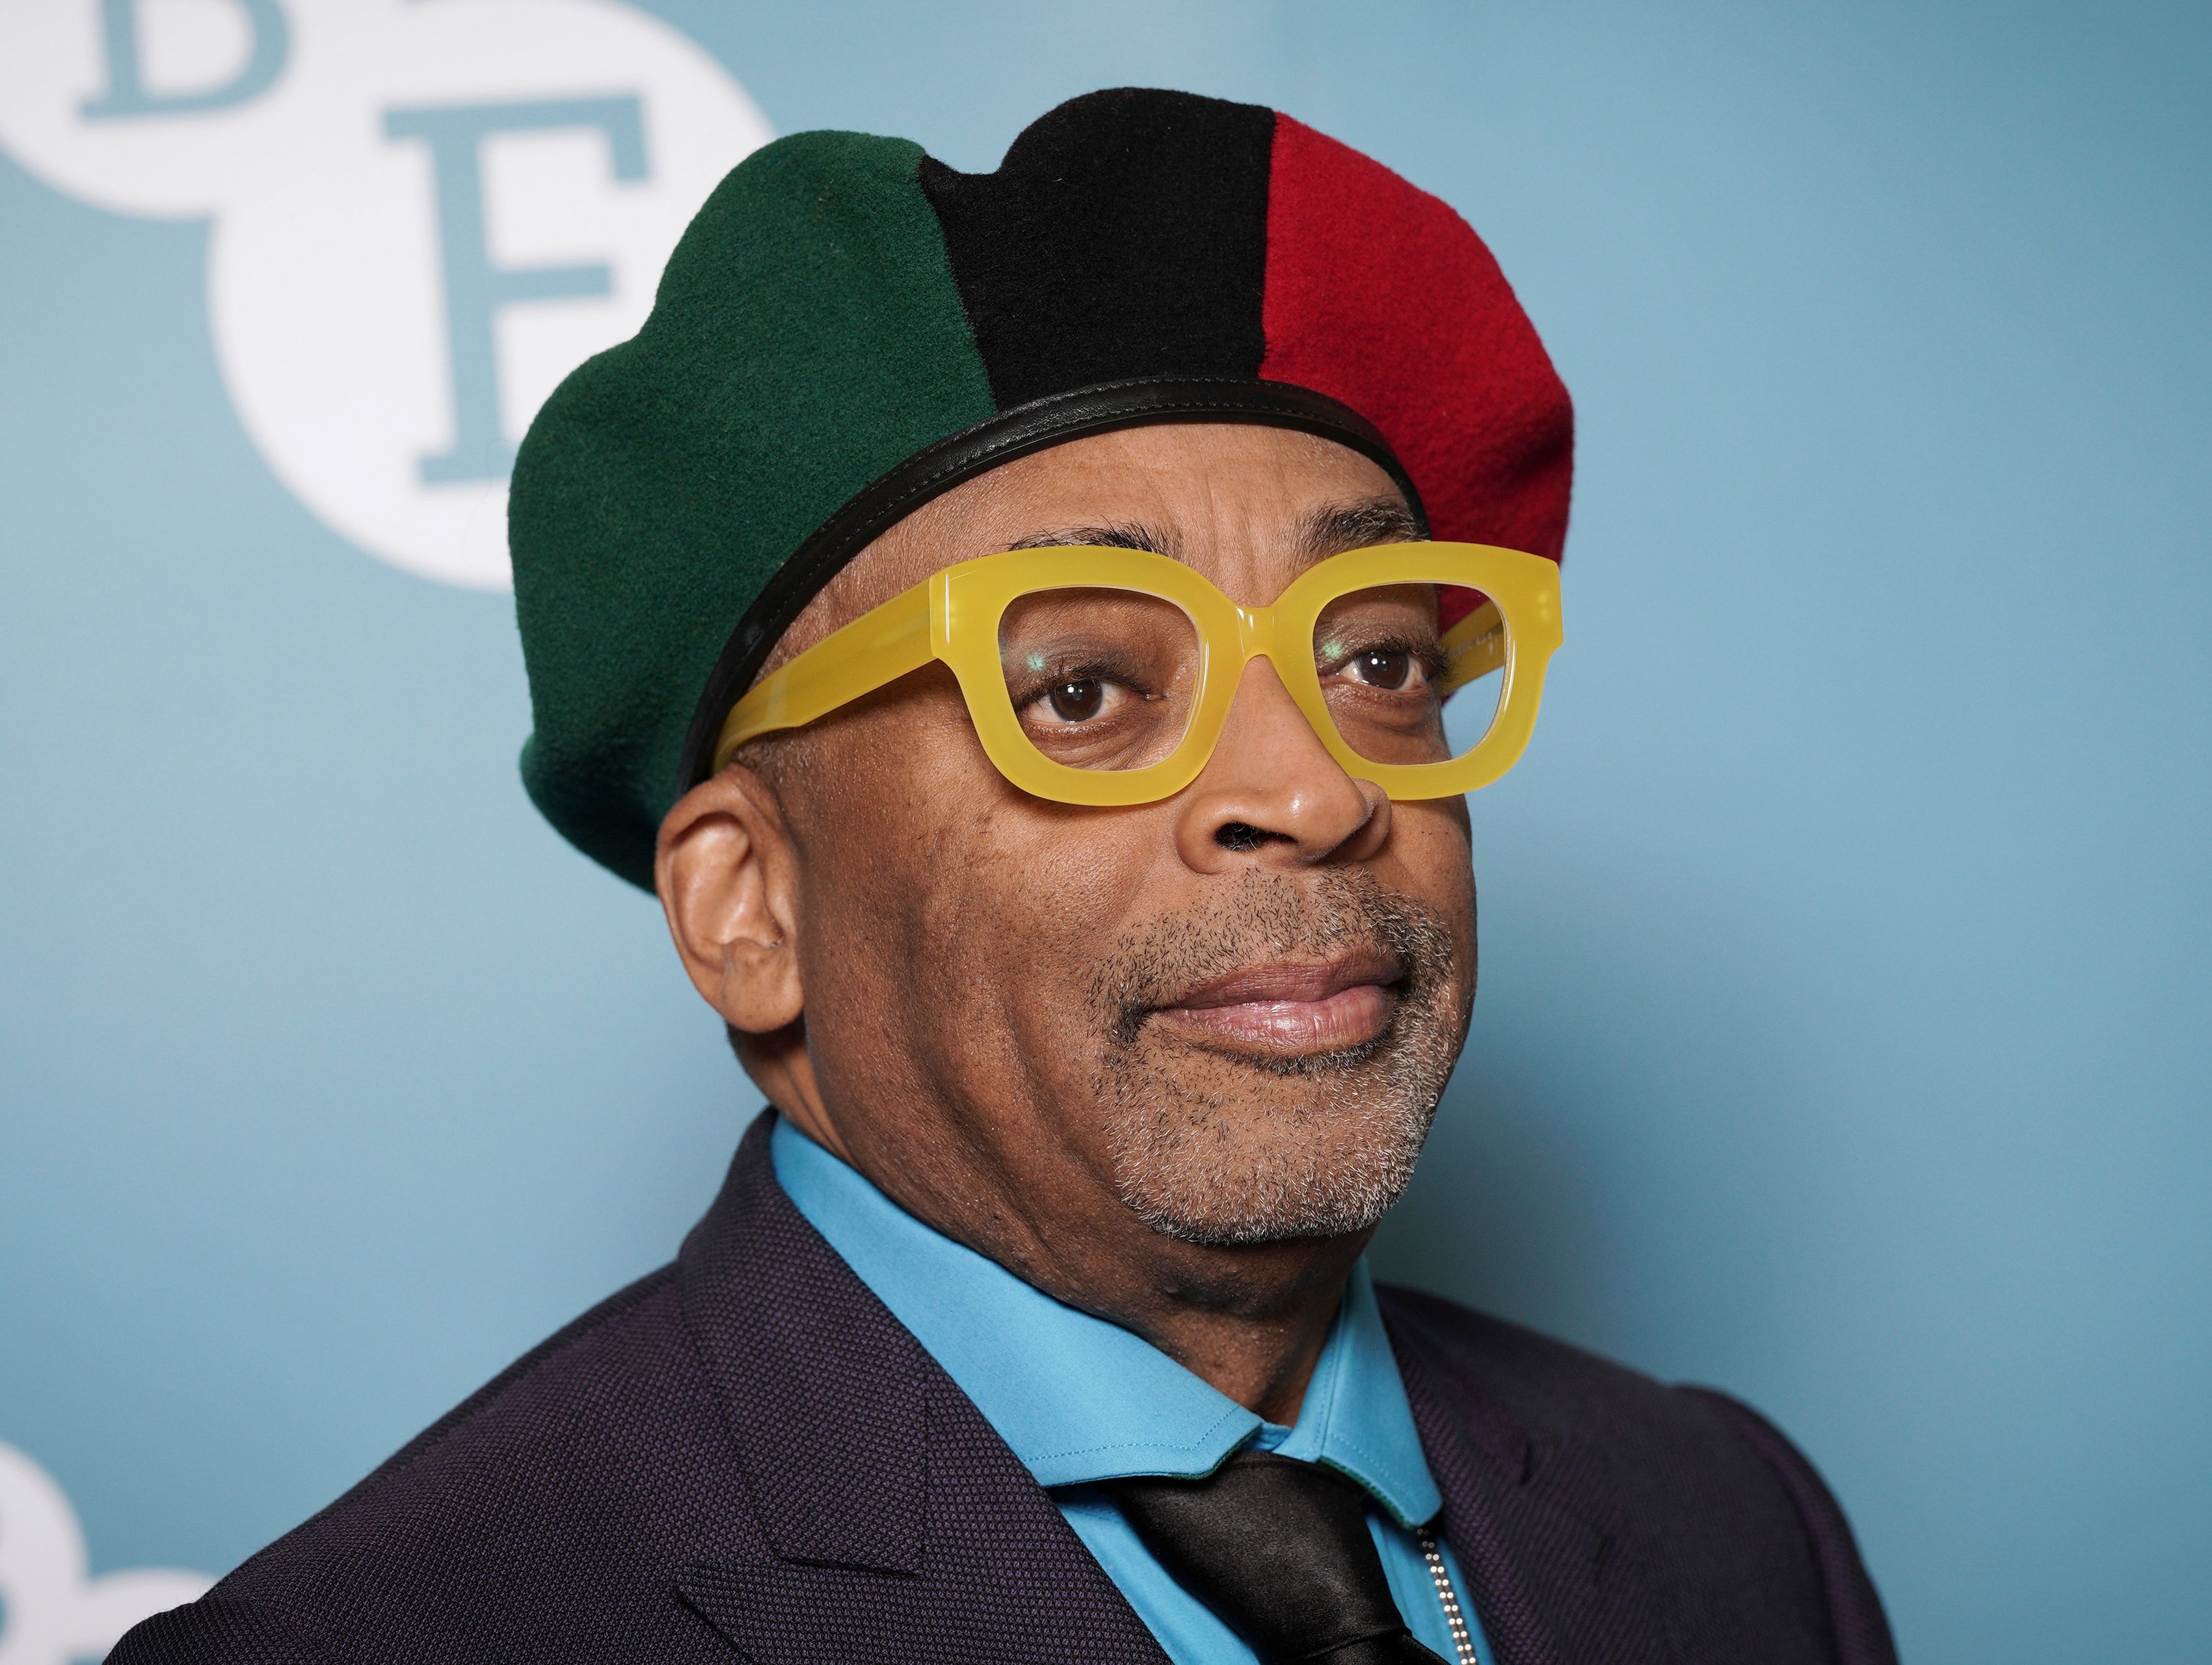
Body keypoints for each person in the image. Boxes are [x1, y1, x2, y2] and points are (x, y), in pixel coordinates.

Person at [113, 88, 1894, 1665]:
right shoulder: (389, 1638)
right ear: (751, 906)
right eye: (1086, 689)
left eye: (1379, 663)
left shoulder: (1729, 1523)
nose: (1313, 786)